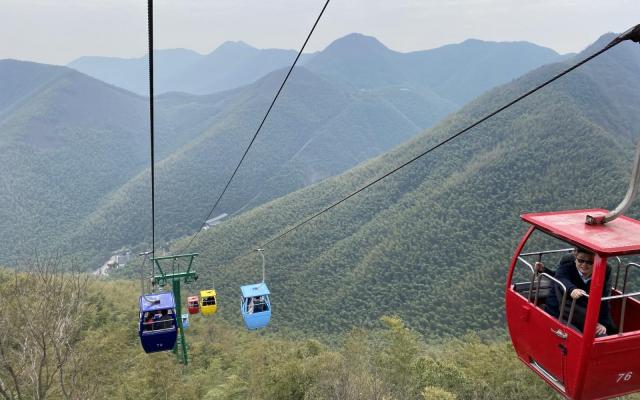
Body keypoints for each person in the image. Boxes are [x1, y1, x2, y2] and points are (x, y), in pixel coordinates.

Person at [543, 247, 617, 336]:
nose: (584, 265)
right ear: (575, 258)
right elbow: (561, 278)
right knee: (579, 335)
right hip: (561, 311)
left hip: (582, 312)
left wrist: (603, 322)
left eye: (589, 262)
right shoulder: (566, 268)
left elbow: (603, 300)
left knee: (607, 332)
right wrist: (572, 289)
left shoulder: (599, 277)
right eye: (581, 261)